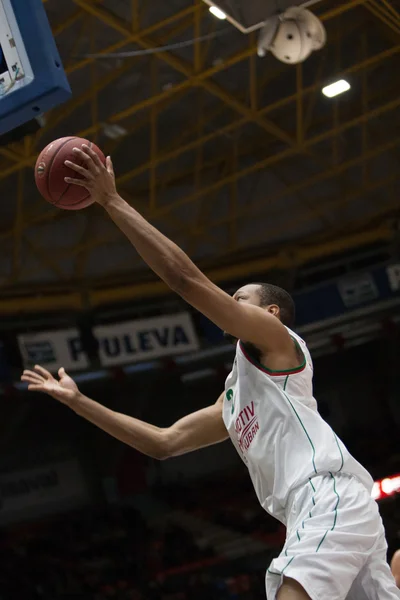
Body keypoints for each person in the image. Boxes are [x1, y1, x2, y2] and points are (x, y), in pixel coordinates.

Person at [21, 146, 400, 600]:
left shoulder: (278, 342)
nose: (230, 302)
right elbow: (163, 443)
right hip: (309, 511)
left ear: (271, 312)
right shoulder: (235, 397)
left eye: (240, 297)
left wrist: (111, 200)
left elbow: (187, 282)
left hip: (328, 495)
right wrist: (80, 402)